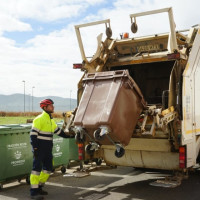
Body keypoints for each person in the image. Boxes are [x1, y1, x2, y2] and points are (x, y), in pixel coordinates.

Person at [29, 99, 73, 200]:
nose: (53, 107)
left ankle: (39, 187)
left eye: (52, 105)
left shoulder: (50, 120)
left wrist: (70, 136)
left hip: (47, 150)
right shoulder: (39, 119)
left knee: (48, 168)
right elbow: (33, 135)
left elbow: (58, 132)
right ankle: (33, 192)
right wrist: (35, 148)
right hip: (39, 149)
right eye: (50, 105)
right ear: (44, 107)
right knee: (36, 170)